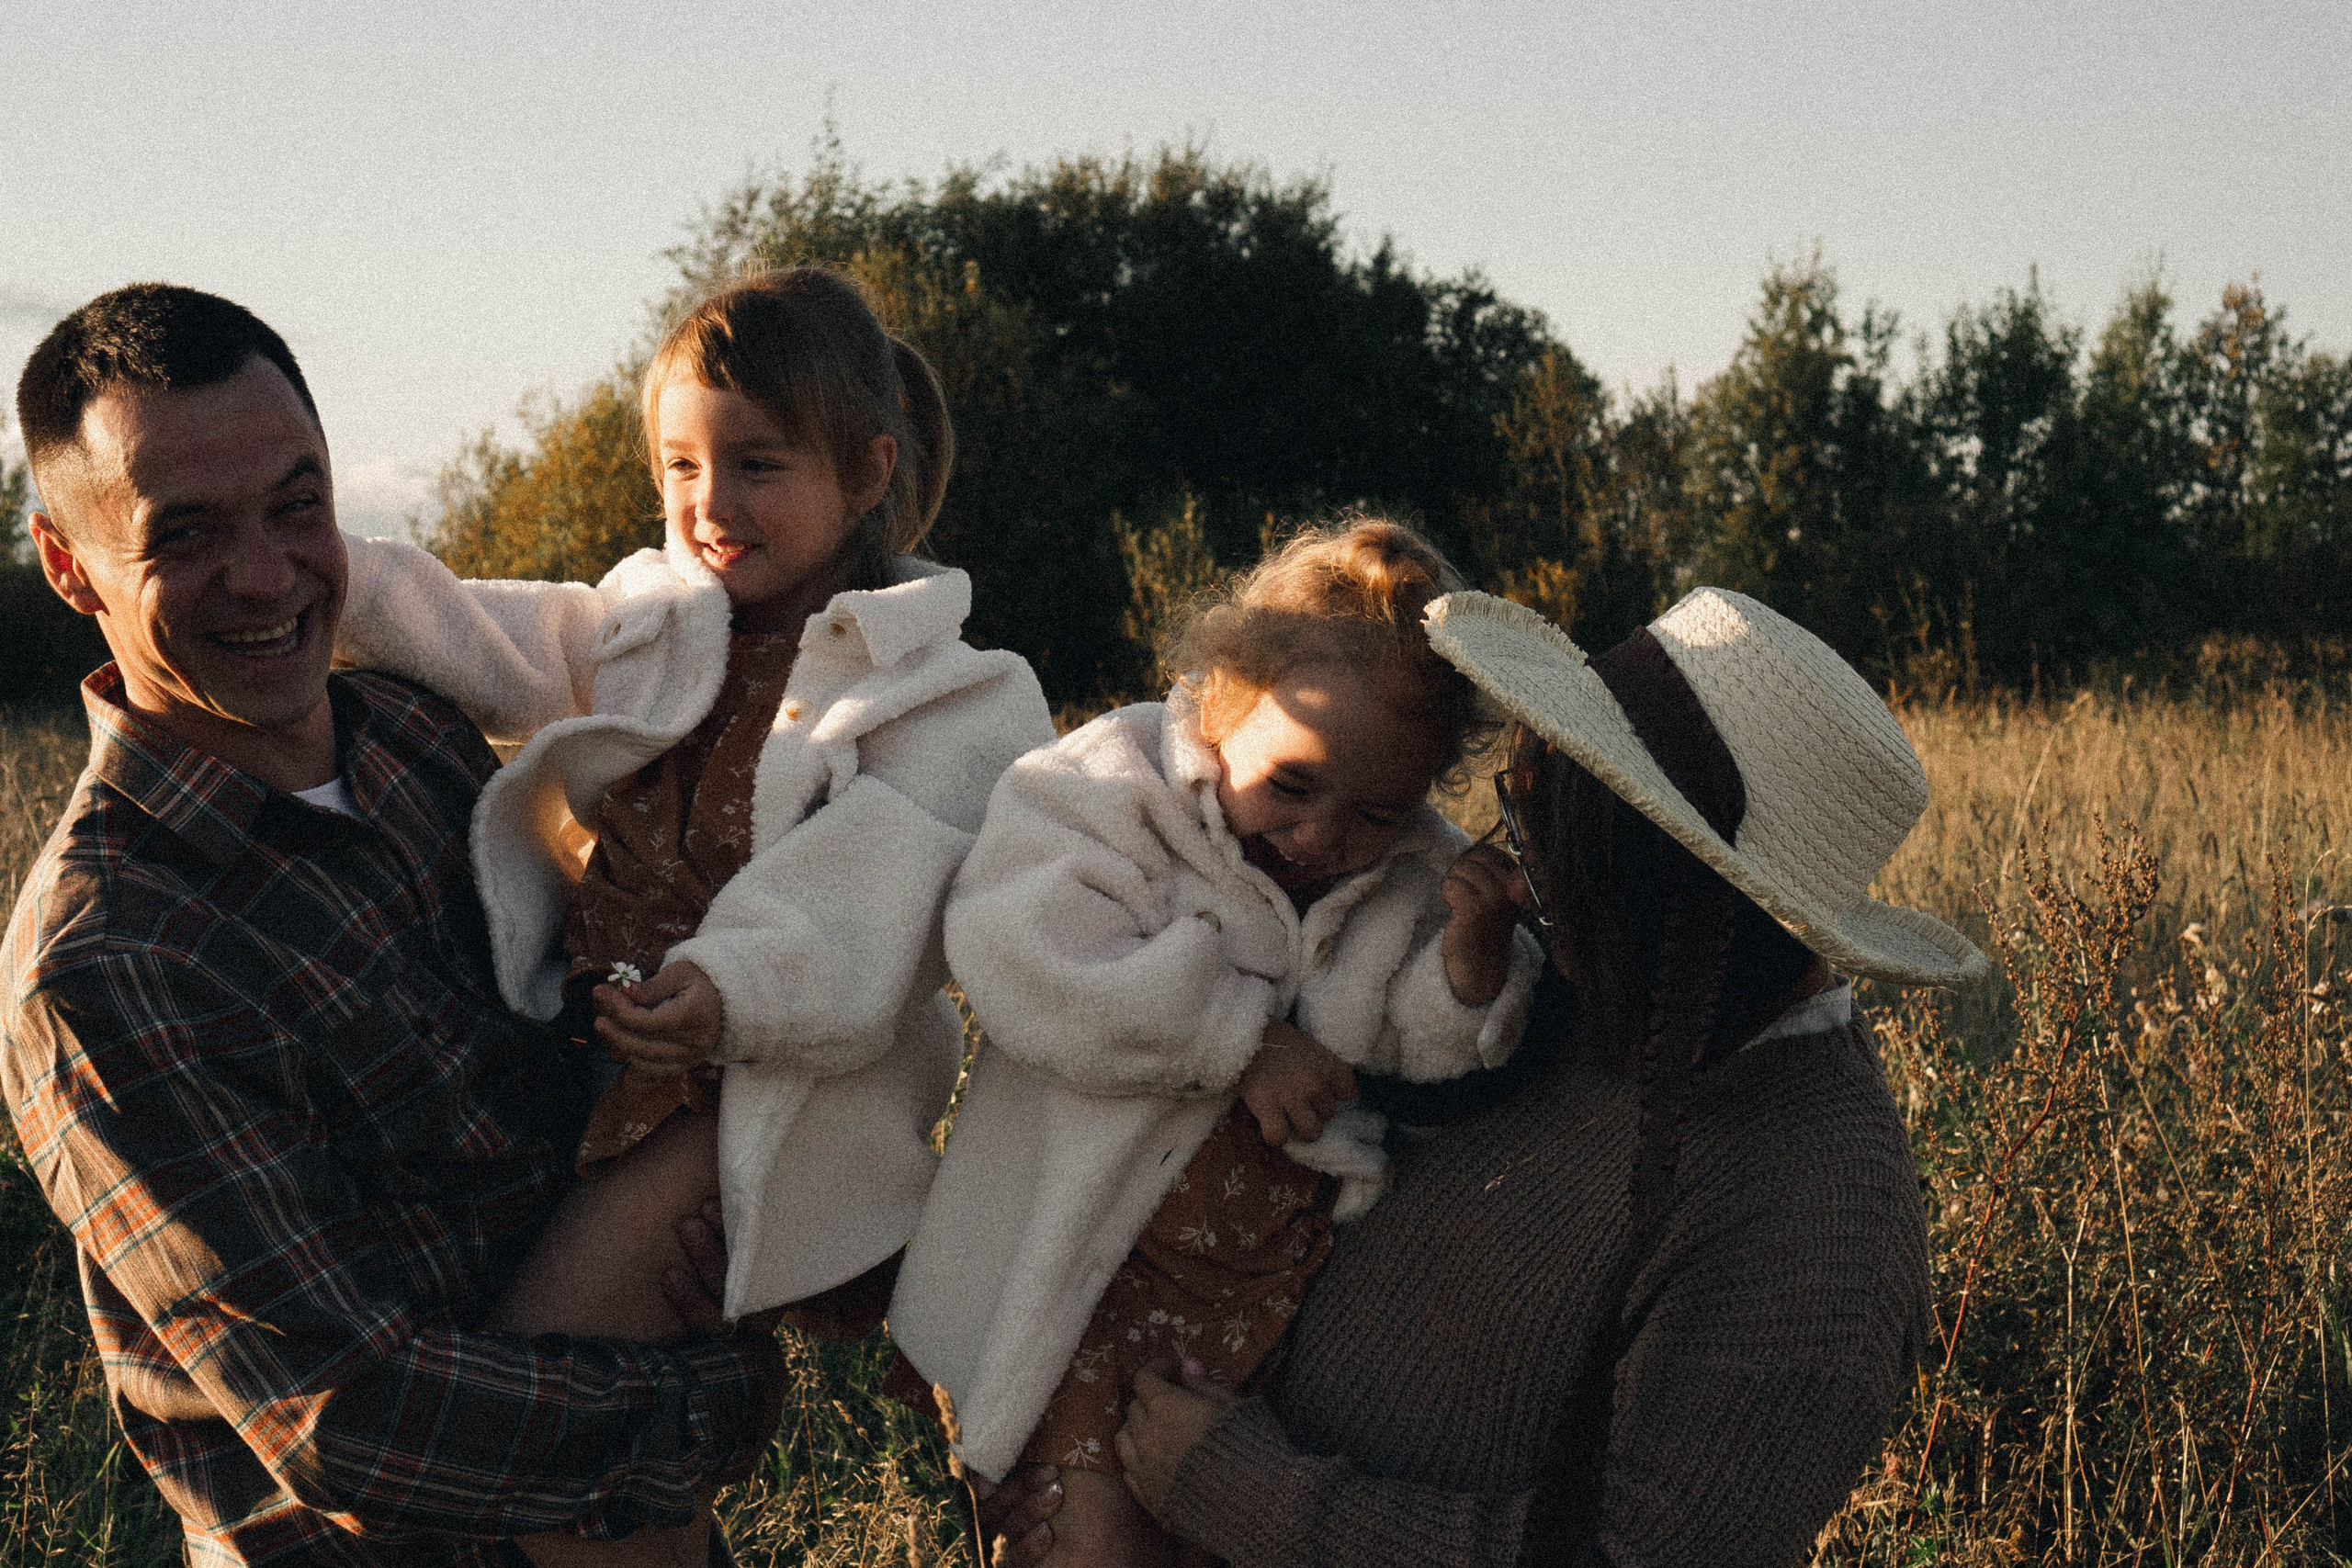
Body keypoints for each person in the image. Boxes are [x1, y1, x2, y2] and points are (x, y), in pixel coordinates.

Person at [3, 282, 777, 1568]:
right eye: (183, 533)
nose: (266, 573)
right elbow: (348, 1419)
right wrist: (710, 1398)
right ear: (69, 561)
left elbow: (581, 1069)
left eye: (297, 503)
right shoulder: (111, 956)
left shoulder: (418, 741)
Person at [989, 585, 1988, 1566]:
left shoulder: (1813, 1212)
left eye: (1563, 855)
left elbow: (1634, 1553)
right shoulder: (1582, 998)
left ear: (1667, 887)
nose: (1514, 876)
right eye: (1524, 825)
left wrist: (1237, 1493)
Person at [327, 267, 1055, 1545]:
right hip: (609, 1064)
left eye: (758, 464)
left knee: (547, 1406)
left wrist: (733, 990)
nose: (709, 505)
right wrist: (326, 574)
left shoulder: (950, 689)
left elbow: (873, 892)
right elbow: (493, 634)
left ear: (868, 471)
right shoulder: (655, 622)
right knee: (616, 1457)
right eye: (680, 465)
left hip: (761, 1096)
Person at [892, 522, 1546, 1567]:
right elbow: (1023, 948)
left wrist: (1471, 959)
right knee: (1089, 1536)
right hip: (1088, 1272)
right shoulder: (1111, 788)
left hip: (1264, 1297)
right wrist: (1237, 1040)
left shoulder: (1411, 870)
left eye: (1377, 811)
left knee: (1207, 1534)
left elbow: (1420, 1041)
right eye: (1292, 785)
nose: (1325, 837)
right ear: (1218, 704)